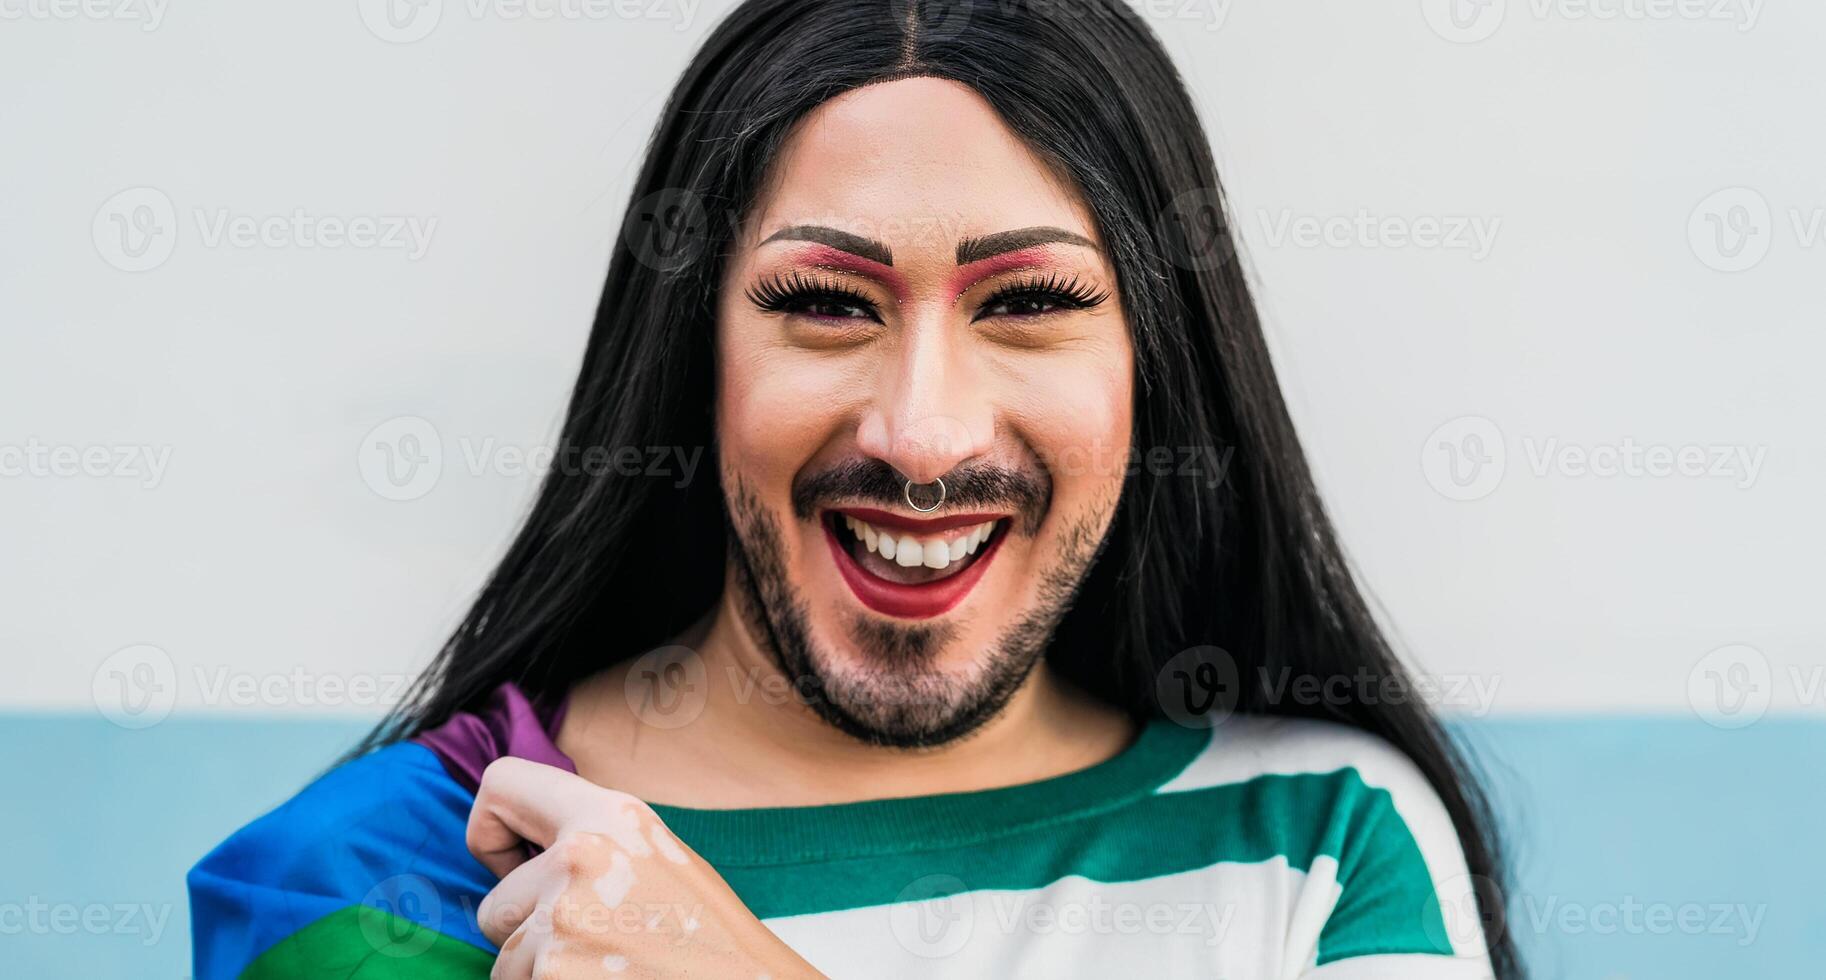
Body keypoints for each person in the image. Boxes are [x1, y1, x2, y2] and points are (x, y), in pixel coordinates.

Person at [189, 0, 1517, 976]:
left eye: (1030, 302)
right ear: (692, 357)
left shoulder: (1328, 839)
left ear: (1152, 368)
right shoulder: (379, 891)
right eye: (822, 303)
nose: (923, 435)